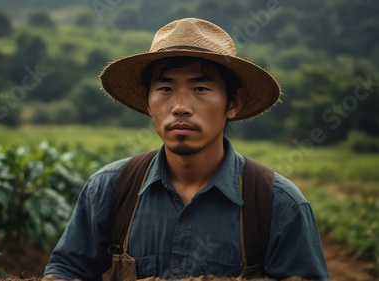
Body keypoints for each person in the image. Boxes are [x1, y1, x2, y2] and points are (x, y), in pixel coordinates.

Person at [43, 18, 328, 281]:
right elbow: (68, 270)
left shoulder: (279, 205)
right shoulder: (109, 189)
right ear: (147, 101)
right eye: (166, 89)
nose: (180, 107)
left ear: (233, 103)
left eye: (201, 88)